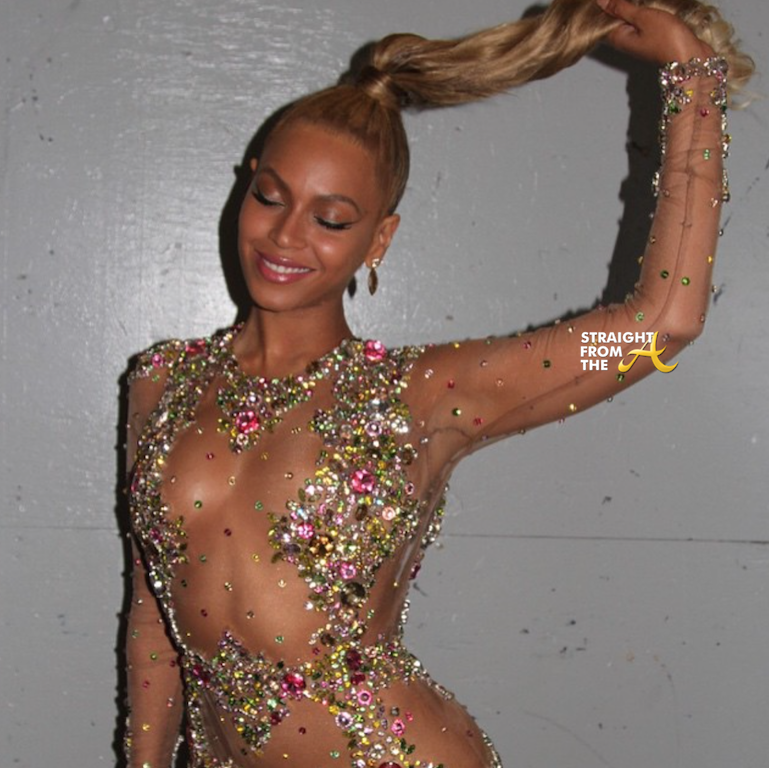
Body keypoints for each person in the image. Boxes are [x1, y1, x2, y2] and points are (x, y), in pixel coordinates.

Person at [122, 0, 753, 766]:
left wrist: (691, 74)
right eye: (271, 197)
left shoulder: (422, 395)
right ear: (244, 187)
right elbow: (155, 622)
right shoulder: (162, 381)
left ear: (378, 238)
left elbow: (659, 323)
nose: (286, 235)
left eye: (331, 218)